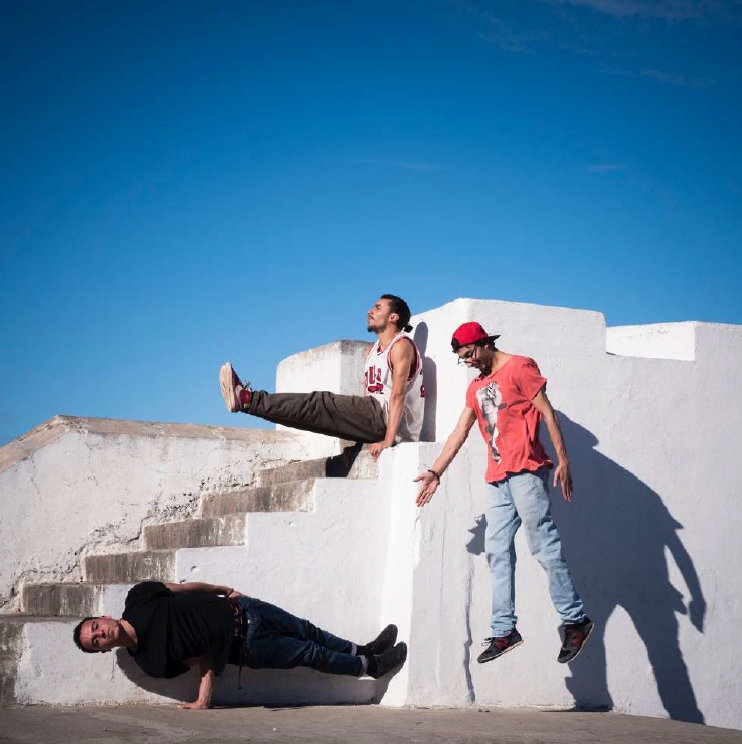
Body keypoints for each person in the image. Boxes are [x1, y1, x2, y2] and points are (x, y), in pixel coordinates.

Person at [414, 322, 593, 665]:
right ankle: (504, 630)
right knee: (497, 552)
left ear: (483, 345)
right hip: (497, 478)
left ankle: (576, 621)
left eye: (468, 355)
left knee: (543, 546)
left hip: (527, 472)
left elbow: (548, 414)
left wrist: (564, 459)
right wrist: (436, 471)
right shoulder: (477, 387)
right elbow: (459, 431)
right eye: (462, 359)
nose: (468, 363)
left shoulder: (520, 367)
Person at [72, 580, 407, 710]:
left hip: (244, 608)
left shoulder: (139, 597)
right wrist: (204, 699)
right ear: (103, 650)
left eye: (95, 627)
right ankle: (370, 667)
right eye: (96, 641)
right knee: (310, 653)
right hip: (247, 647)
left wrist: (224, 589)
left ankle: (362, 650)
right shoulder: (151, 662)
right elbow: (203, 659)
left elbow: (184, 588)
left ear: (102, 617)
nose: (100, 634)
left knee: (309, 630)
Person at [219, 294, 424, 461]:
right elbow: (365, 403)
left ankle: (248, 398)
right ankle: (246, 404)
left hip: (389, 424)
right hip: (375, 418)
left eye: (378, 307)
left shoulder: (401, 345)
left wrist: (388, 441)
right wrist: (360, 444)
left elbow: (398, 395)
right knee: (312, 420)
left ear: (393, 317)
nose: (370, 311)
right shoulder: (370, 352)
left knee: (320, 403)